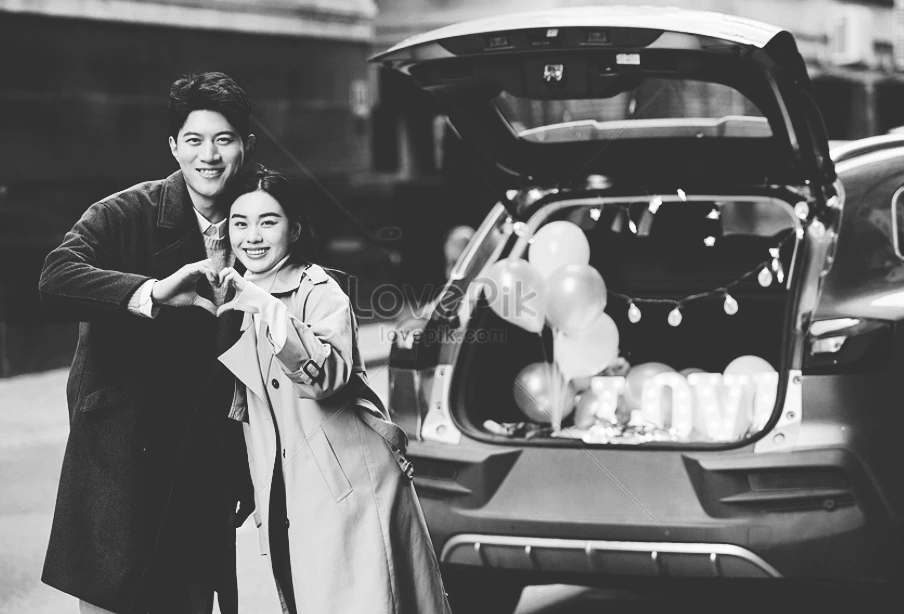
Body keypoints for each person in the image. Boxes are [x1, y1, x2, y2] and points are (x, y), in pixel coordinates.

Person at [38, 72, 256, 614]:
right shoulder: (124, 213)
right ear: (173, 146)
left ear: (246, 145)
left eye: (224, 139)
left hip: (203, 472)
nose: (209, 156)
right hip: (121, 465)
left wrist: (247, 468)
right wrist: (151, 292)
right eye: (194, 140)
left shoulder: (259, 223)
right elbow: (56, 277)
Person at [216, 165, 453, 614]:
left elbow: (324, 376)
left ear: (294, 229)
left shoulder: (318, 290)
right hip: (291, 493)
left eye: (268, 221)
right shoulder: (240, 295)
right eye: (240, 223)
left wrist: (268, 309)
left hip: (348, 490)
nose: (252, 236)